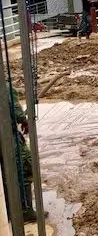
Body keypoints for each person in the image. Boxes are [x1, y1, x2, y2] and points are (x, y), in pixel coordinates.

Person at [0, 84, 46, 222]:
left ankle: (7, 210)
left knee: (3, 173)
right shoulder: (4, 86)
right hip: (6, 136)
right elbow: (16, 111)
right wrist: (24, 120)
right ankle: (25, 211)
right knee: (24, 166)